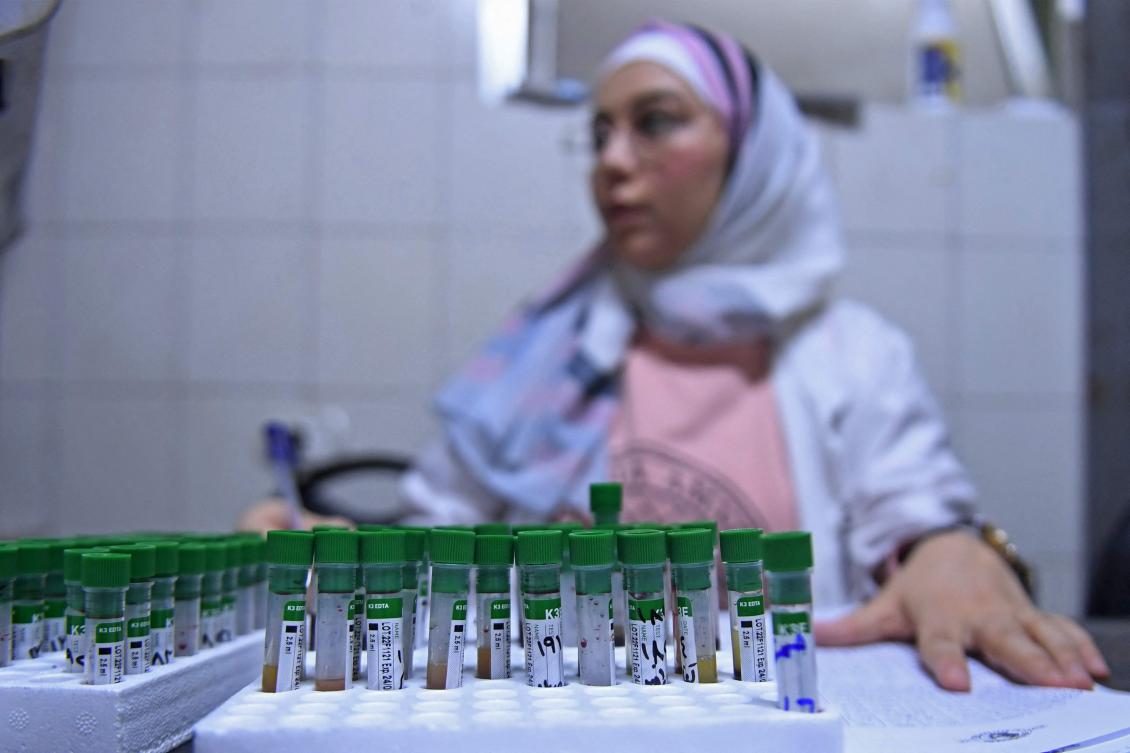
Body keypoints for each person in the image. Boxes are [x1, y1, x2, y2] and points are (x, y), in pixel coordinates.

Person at [242, 20, 1108, 692]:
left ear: (750, 153)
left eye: (656, 123)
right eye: (600, 132)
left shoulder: (851, 354)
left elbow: (914, 518)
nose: (614, 163)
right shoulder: (554, 347)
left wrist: (948, 550)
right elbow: (442, 537)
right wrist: (345, 555)